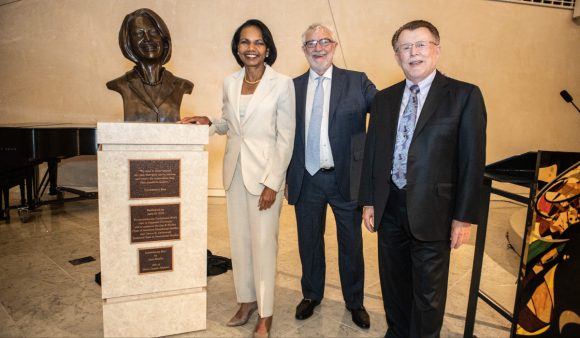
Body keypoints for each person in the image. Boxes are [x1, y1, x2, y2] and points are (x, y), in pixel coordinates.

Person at [358, 20, 487, 337]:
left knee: (428, 295)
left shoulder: (464, 96)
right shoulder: (384, 100)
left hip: (435, 211)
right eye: (404, 47)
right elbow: (372, 153)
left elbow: (472, 161)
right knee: (394, 284)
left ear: (437, 50)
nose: (413, 52)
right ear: (396, 56)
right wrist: (369, 201)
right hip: (389, 208)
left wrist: (463, 217)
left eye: (420, 44)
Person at [180, 19, 295, 338]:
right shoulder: (230, 82)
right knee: (240, 244)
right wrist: (210, 122)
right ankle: (245, 302)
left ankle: (266, 314)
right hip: (234, 172)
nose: (251, 48)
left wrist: (274, 181)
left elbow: (286, 137)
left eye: (258, 43)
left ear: (268, 48)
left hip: (264, 178)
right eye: (245, 42)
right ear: (237, 48)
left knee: (263, 246)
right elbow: (230, 123)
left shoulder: (282, 84)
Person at [285, 23, 377, 329]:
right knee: (308, 241)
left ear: (334, 45)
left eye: (324, 41)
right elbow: (283, 135)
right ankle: (311, 294)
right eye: (311, 43)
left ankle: (355, 302)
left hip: (346, 180)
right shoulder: (293, 87)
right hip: (307, 177)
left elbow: (385, 109)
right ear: (304, 50)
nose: (318, 47)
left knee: (350, 244)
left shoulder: (357, 82)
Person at [107, 8, 193, 122]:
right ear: (128, 42)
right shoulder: (120, 84)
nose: (147, 39)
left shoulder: (182, 85)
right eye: (139, 34)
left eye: (153, 32)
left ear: (163, 38)